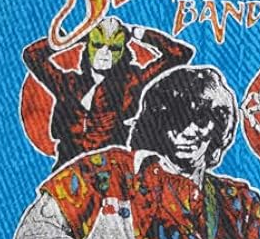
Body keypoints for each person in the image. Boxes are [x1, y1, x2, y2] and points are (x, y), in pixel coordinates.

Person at [13, 64, 260, 239]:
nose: (187, 131)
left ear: (219, 127)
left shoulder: (239, 202)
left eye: (201, 119)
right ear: (157, 121)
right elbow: (32, 233)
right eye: (175, 118)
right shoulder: (106, 171)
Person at [22, 17, 195, 166]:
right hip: (67, 169)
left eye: (113, 48)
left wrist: (140, 33)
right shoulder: (70, 84)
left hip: (110, 172)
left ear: (123, 51)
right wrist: (74, 38)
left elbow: (181, 54)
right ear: (88, 46)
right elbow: (32, 55)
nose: (104, 53)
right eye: (97, 45)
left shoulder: (132, 83)